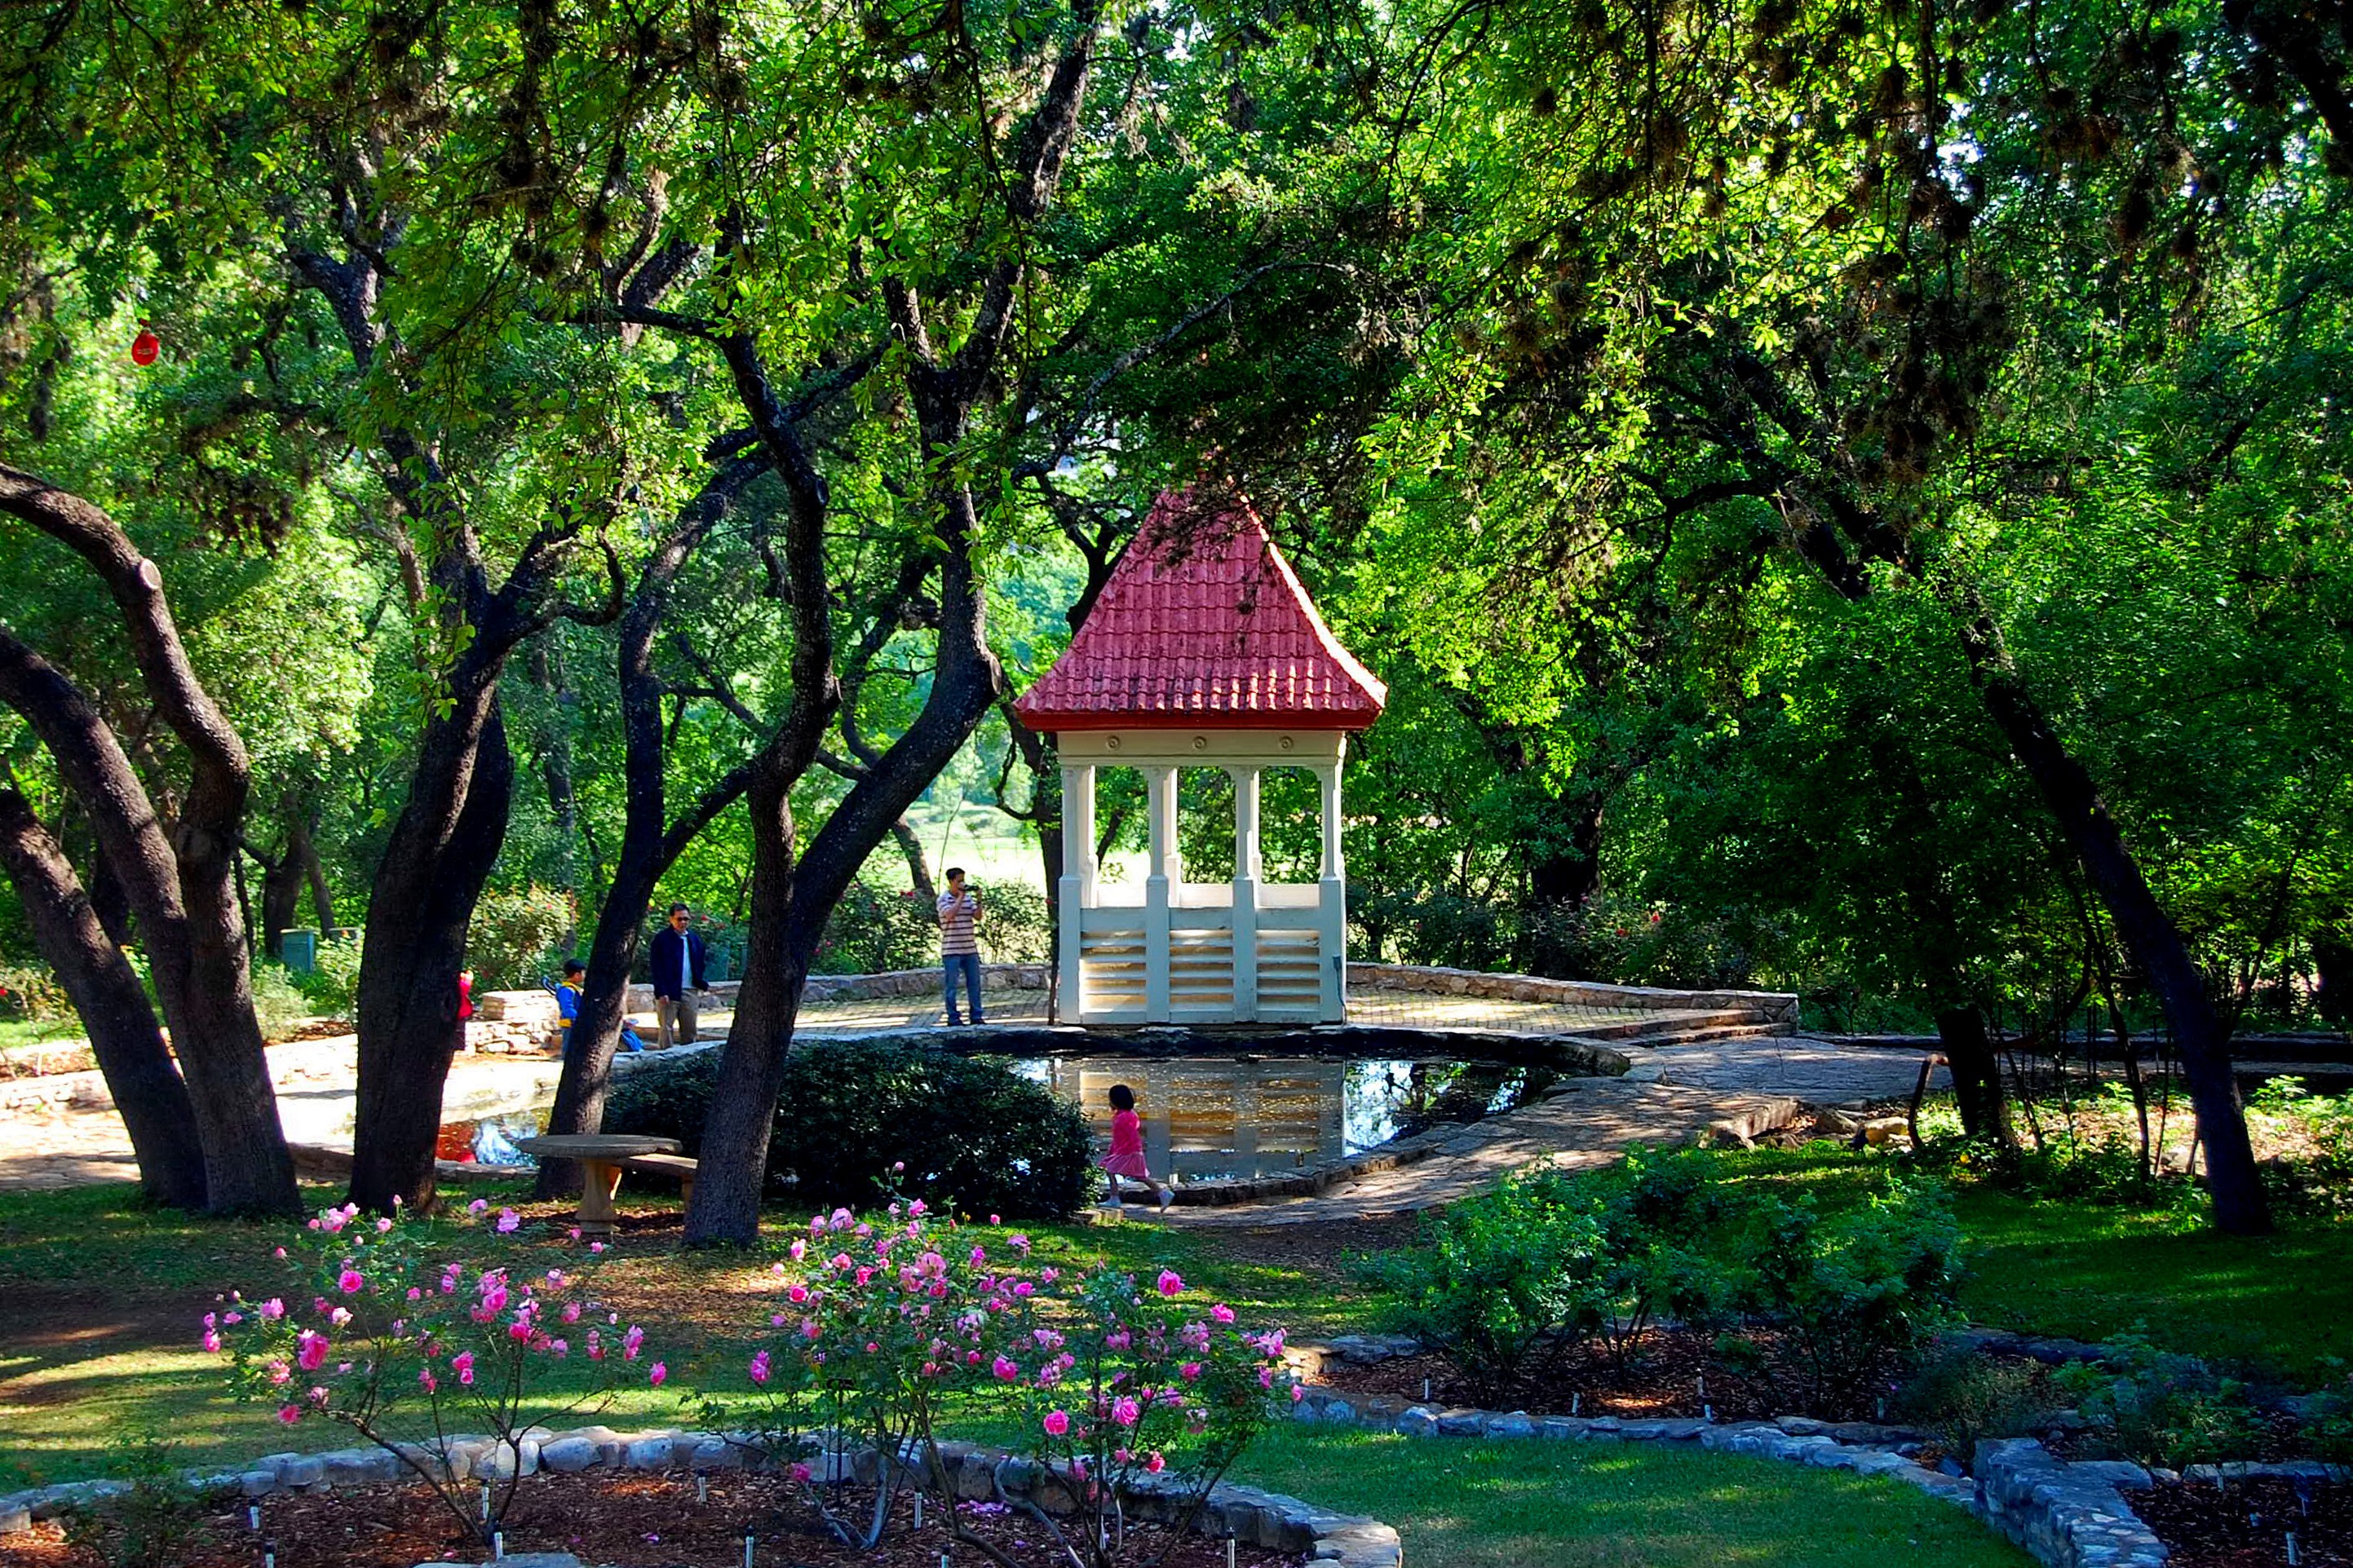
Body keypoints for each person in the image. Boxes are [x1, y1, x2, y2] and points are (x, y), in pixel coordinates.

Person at [1099, 1083, 1174, 1212]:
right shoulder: (1124, 1115)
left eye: (1110, 1099)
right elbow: (1118, 1138)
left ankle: (1115, 1199)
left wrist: (1134, 1151)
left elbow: (1132, 1135)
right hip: (1125, 1151)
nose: (1109, 1102)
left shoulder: (1124, 1117)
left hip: (1129, 1152)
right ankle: (1163, 1193)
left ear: (1116, 1101)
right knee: (1139, 1176)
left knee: (1111, 1171)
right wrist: (1111, 1152)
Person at [648, 903, 710, 1049]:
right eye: (679, 919)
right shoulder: (662, 939)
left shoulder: (695, 940)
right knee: (666, 1029)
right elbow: (656, 967)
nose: (683, 922)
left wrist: (701, 982)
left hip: (690, 990)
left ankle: (689, 1062)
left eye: (686, 919)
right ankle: (666, 1061)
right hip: (669, 991)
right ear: (671, 919)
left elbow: (700, 963)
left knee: (690, 1029)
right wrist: (661, 991)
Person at [556, 959, 646, 1055]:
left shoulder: (574, 989)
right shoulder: (566, 990)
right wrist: (580, 1017)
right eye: (583, 973)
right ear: (577, 975)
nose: (584, 976)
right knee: (569, 1049)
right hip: (570, 1025)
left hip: (577, 1023)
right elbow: (567, 1009)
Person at [937, 867, 985, 1026]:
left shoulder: (968, 899)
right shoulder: (943, 899)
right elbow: (950, 915)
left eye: (963, 880)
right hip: (951, 950)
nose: (962, 884)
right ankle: (953, 1017)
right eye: (959, 881)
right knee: (951, 986)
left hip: (969, 949)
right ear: (951, 882)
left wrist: (978, 900)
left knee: (974, 985)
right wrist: (960, 897)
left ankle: (976, 1016)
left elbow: (978, 917)